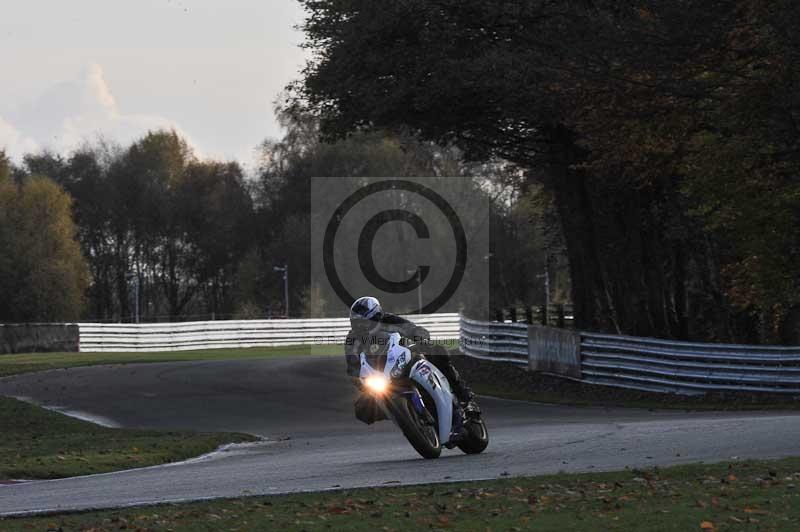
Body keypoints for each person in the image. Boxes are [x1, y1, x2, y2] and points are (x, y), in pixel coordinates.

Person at [345, 296, 480, 424]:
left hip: (404, 358)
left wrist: (421, 340)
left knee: (438, 351)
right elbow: (352, 367)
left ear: (376, 316)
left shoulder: (390, 320)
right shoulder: (352, 340)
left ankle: (465, 398)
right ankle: (402, 415)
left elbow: (415, 329)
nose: (360, 327)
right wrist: (362, 381)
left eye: (364, 322)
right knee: (361, 409)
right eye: (357, 323)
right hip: (381, 376)